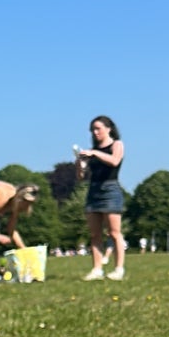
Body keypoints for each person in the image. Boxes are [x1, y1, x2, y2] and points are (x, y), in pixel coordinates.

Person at [76, 116, 126, 281]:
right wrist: (80, 165)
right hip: (94, 190)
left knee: (114, 232)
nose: (95, 132)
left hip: (110, 189)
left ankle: (119, 269)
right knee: (94, 234)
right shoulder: (93, 150)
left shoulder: (116, 144)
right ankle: (97, 269)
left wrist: (95, 153)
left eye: (98, 128)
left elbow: (114, 161)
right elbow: (81, 177)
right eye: (93, 130)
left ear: (108, 128)